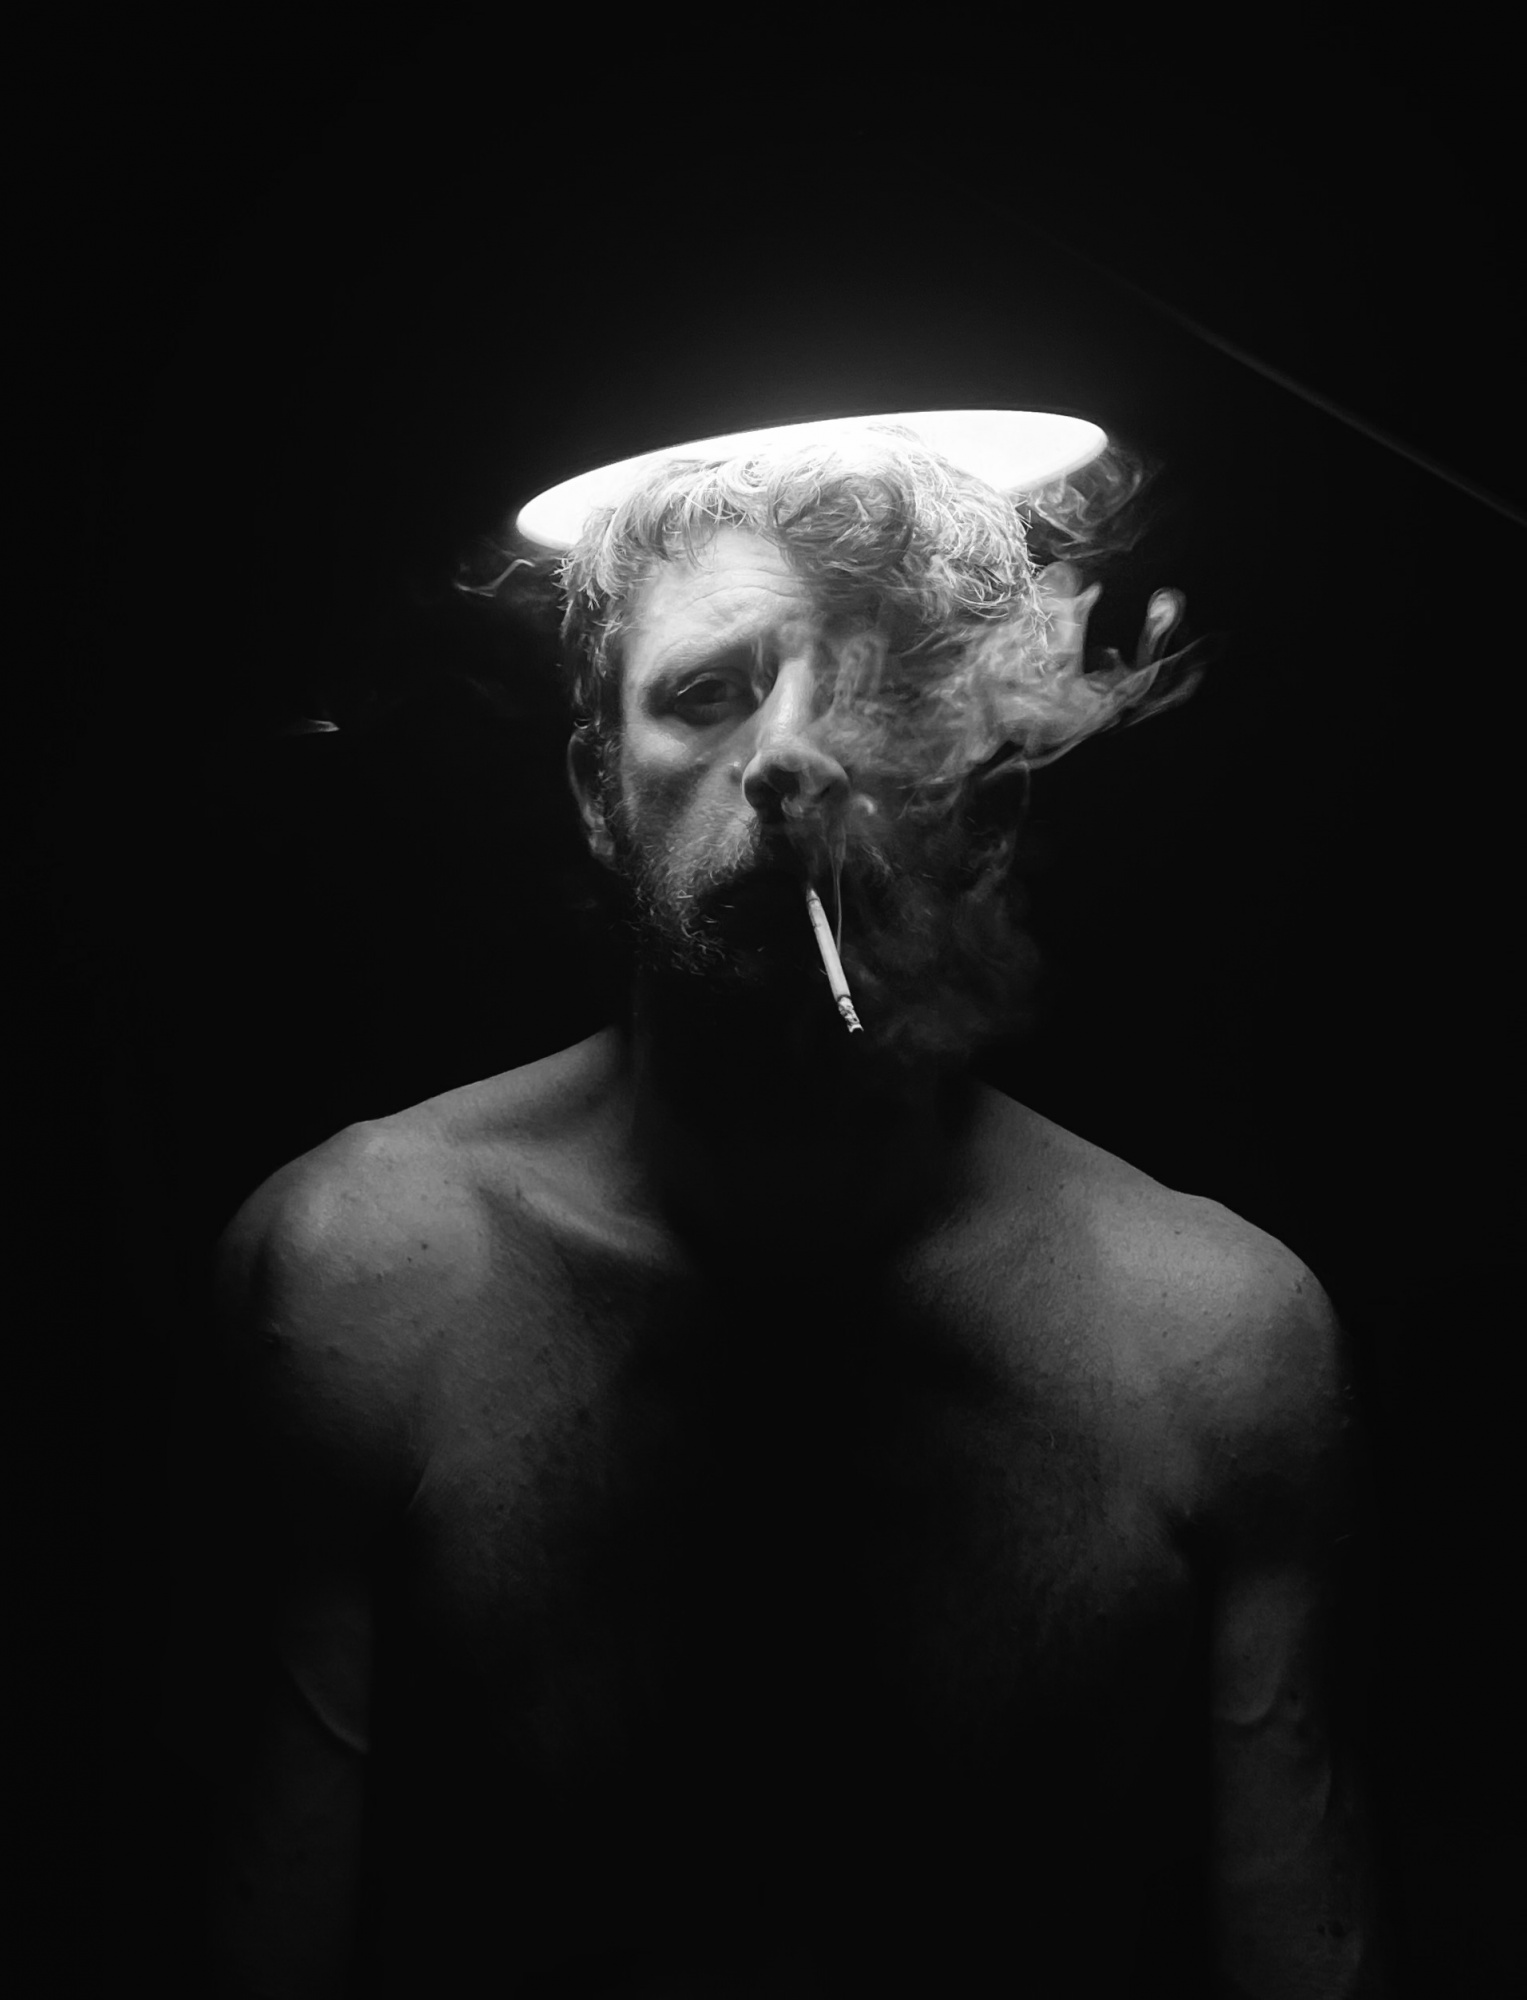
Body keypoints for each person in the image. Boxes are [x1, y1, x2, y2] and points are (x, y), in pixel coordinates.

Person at [177, 429, 1387, 1997]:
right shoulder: (360, 1283)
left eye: (879, 696)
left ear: (990, 812)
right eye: (707, 692)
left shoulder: (1216, 1343)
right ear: (600, 792)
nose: (792, 759)